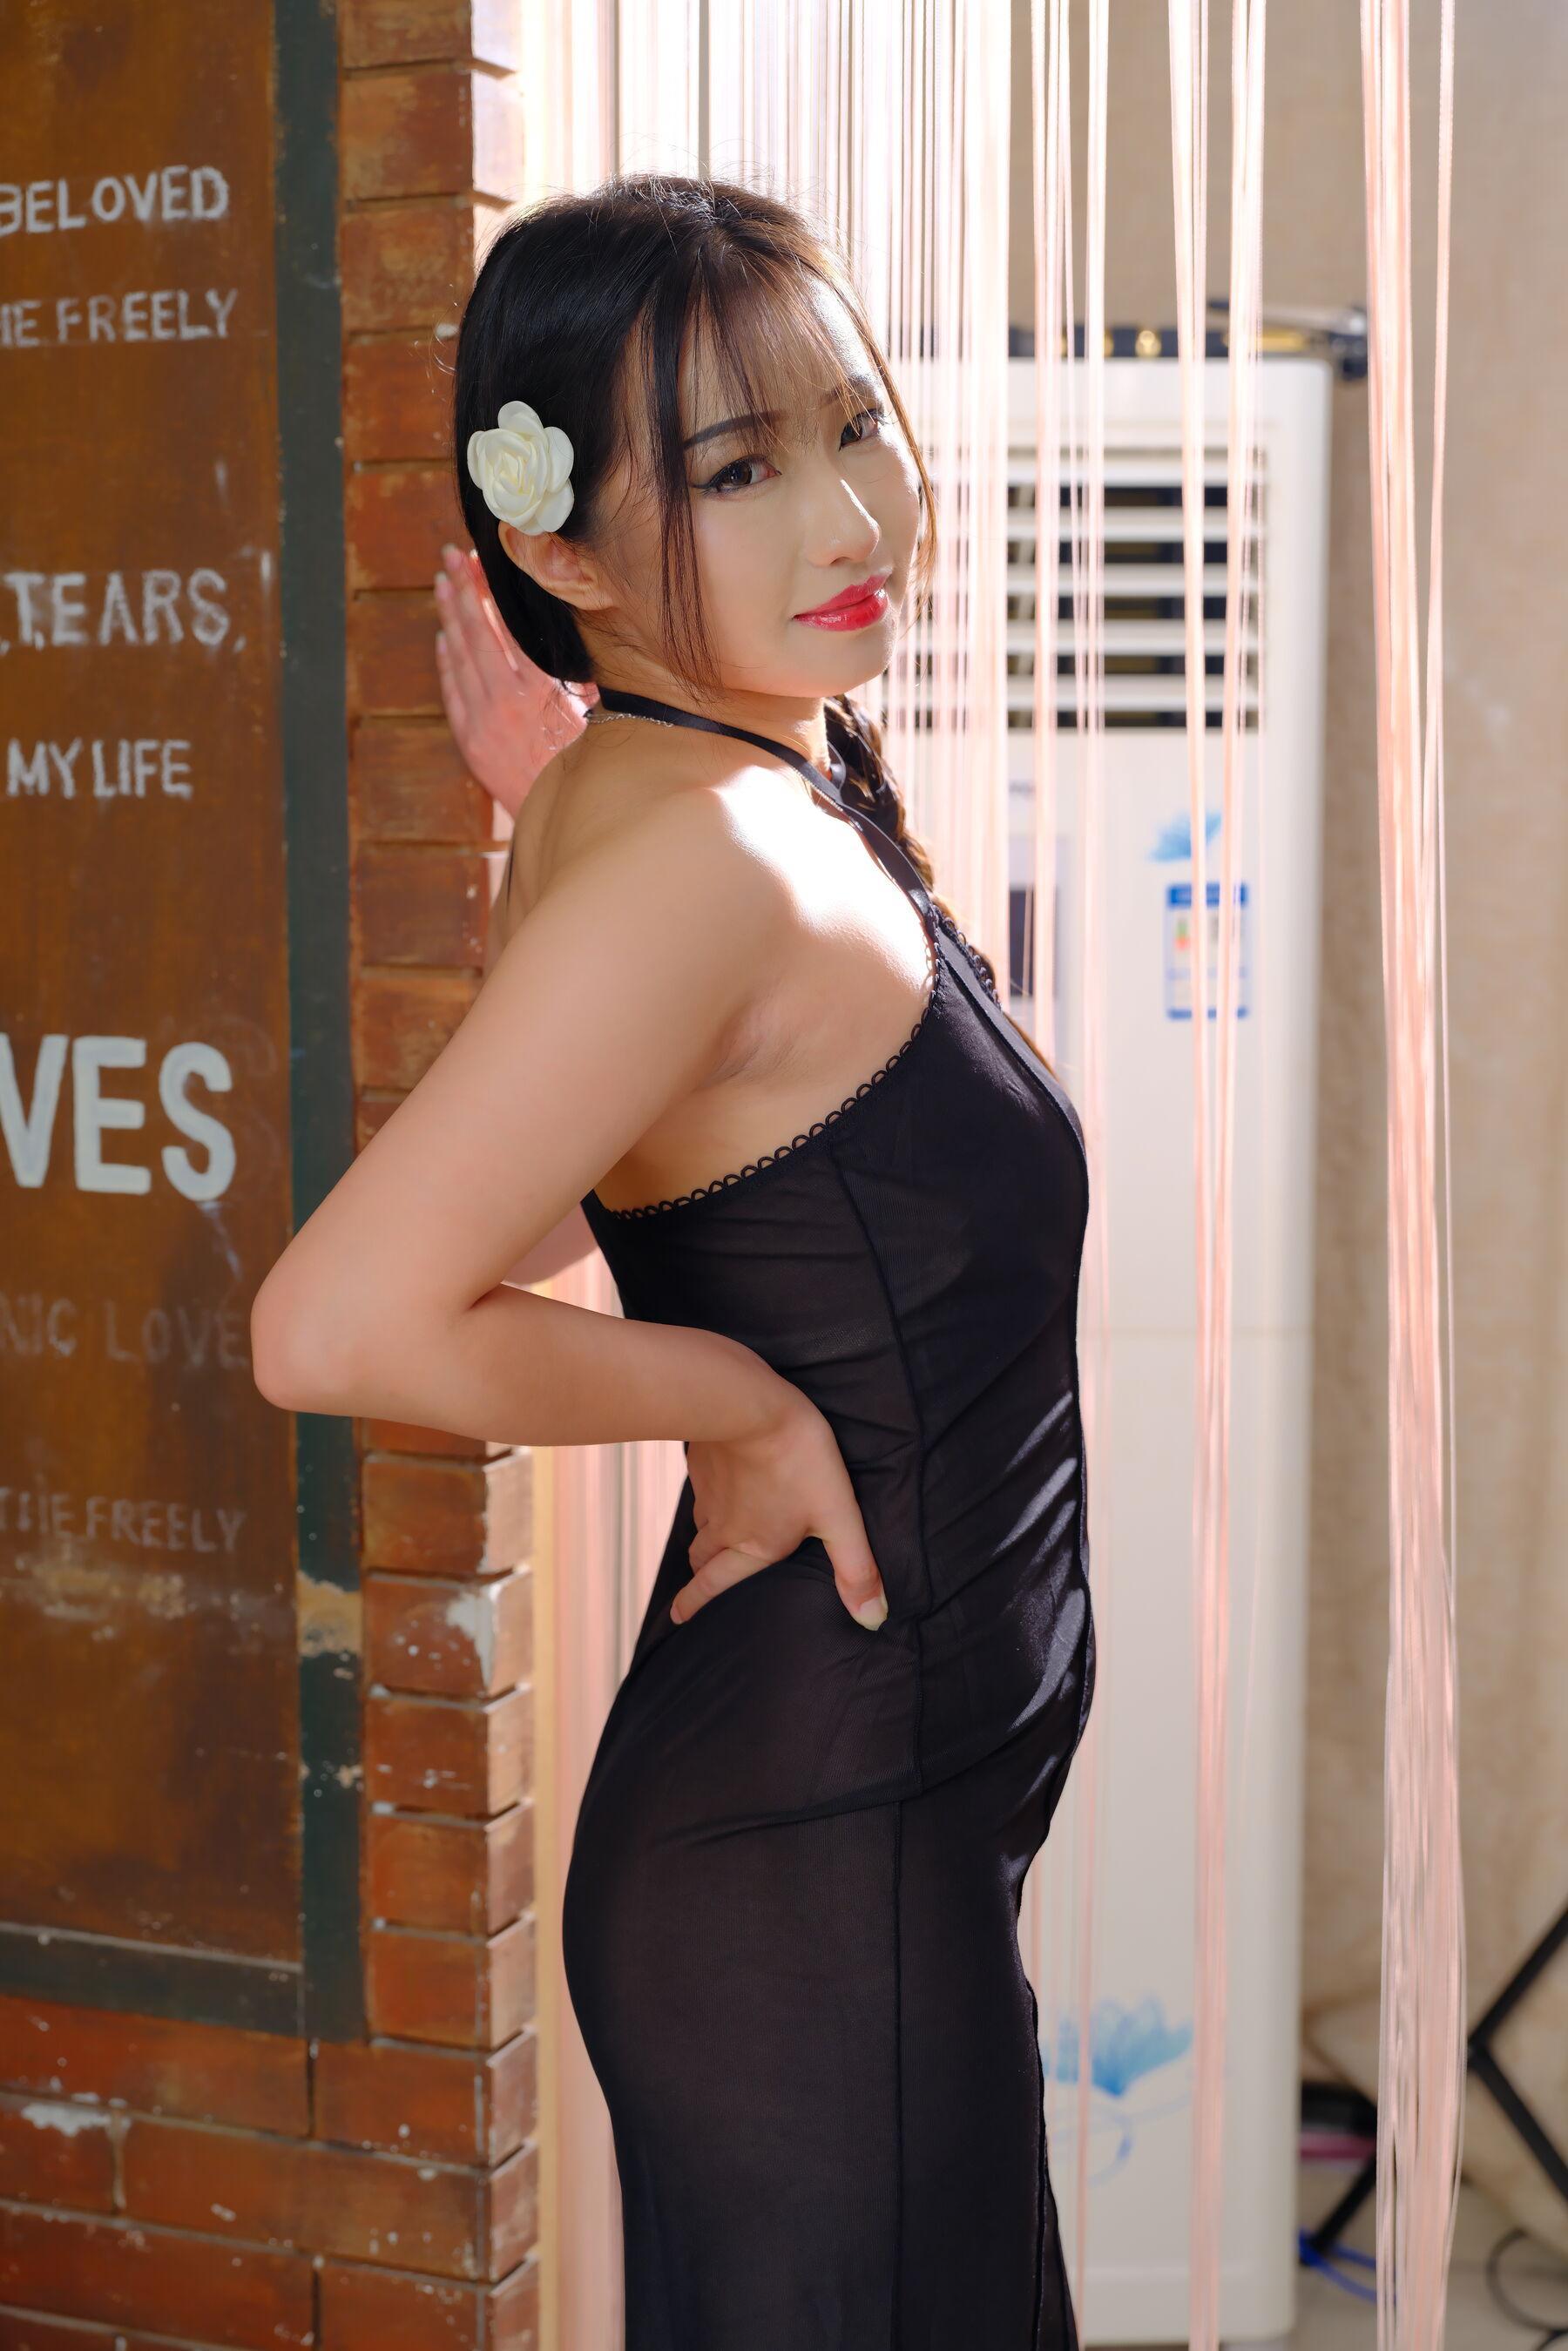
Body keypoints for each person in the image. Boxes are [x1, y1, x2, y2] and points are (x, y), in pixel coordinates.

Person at [252, 172, 1095, 2349]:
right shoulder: (702, 854)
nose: (852, 516)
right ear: (558, 551)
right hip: (812, 1864)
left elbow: (585, 1193)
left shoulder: (702, 788)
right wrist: (728, 1396)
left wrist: (547, 807)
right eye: (737, 471)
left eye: (855, 423)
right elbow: (335, 1324)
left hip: (856, 1839)